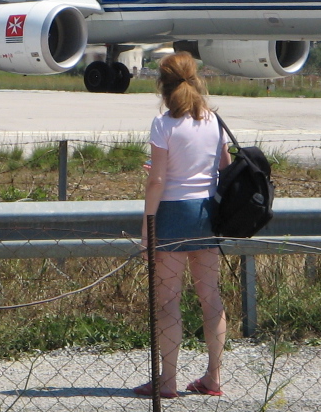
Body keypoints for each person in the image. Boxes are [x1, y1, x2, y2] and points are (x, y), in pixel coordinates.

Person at [134, 52, 231, 399]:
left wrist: (147, 228)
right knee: (210, 297)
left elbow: (157, 180)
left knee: (168, 301)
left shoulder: (163, 124)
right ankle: (213, 376)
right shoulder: (214, 121)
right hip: (206, 214)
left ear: (163, 84)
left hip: (173, 215)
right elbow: (224, 166)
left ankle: (168, 379)